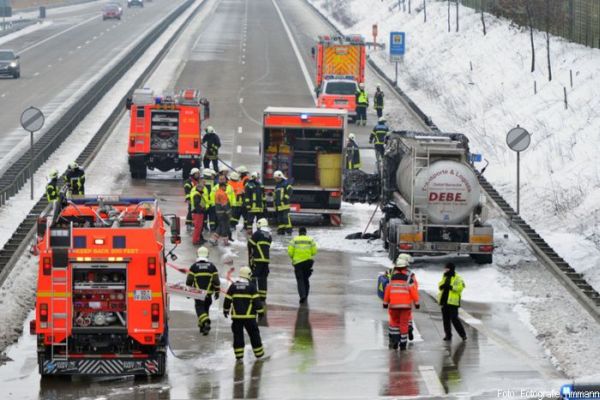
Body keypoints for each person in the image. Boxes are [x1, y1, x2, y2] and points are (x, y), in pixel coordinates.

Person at [223, 266, 265, 361]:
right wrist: (261, 312)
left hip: (236, 318)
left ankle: (239, 356)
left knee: (238, 336)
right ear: (248, 275)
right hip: (249, 318)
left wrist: (226, 310)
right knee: (254, 335)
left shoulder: (233, 286)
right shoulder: (251, 287)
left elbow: (227, 300)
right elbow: (257, 302)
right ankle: (259, 355)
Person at [383, 258, 420, 351]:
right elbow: (414, 291)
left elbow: (387, 291)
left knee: (394, 323)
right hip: (405, 306)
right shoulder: (409, 278)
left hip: (394, 306)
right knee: (404, 324)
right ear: (405, 267)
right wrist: (416, 303)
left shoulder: (392, 279)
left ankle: (395, 341)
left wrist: (385, 303)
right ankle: (403, 344)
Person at [186, 247, 220, 335]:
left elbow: (189, 281)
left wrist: (188, 291)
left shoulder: (194, 267)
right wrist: (217, 291)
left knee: (200, 309)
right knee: (205, 310)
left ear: (198, 254)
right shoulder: (212, 266)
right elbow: (216, 281)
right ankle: (203, 327)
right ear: (207, 254)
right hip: (208, 294)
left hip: (198, 294)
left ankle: (205, 322)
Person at [288, 227, 318, 304]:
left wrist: (294, 257)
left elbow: (290, 252)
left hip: (298, 263)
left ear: (299, 232)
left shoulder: (294, 240)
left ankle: (302, 295)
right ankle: (306, 295)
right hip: (308, 262)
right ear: (305, 232)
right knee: (306, 279)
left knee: (300, 280)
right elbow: (314, 252)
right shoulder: (310, 240)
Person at [438, 263, 467, 341]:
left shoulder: (457, 277)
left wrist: (451, 287)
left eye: (447, 268)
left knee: (454, 319)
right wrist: (441, 286)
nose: (445, 270)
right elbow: (440, 284)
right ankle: (448, 335)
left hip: (453, 302)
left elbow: (460, 288)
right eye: (445, 268)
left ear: (451, 269)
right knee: (446, 320)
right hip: (444, 301)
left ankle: (463, 335)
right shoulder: (445, 276)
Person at [248, 218, 272, 302]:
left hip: (258, 259)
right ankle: (263, 296)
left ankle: (253, 294)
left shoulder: (257, 234)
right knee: (263, 277)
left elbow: (250, 245)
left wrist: (250, 259)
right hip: (266, 260)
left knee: (253, 276)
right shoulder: (269, 235)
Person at [211, 174, 235, 245]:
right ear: (222, 186)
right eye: (225, 187)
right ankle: (225, 242)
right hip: (223, 213)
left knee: (220, 226)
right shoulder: (222, 194)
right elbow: (225, 205)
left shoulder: (218, 192)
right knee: (224, 227)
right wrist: (229, 214)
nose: (226, 188)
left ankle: (213, 239)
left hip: (219, 212)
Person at [273, 170, 293, 235]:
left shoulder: (286, 183)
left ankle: (289, 231)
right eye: (275, 178)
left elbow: (290, 190)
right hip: (278, 205)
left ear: (280, 177)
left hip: (284, 205)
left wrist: (285, 199)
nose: (275, 179)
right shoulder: (277, 185)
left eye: (276, 178)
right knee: (279, 219)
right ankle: (281, 231)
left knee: (285, 218)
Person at [189, 179, 207, 245]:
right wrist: (201, 210)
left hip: (198, 213)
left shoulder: (198, 193)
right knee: (198, 228)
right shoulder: (197, 194)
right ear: (198, 188)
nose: (202, 189)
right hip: (198, 213)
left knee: (198, 228)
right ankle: (196, 240)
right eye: (201, 187)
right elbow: (197, 204)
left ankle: (197, 239)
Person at [202, 168, 217, 232]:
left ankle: (205, 226)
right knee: (212, 215)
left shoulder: (201, 182)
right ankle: (212, 227)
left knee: (205, 215)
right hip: (211, 202)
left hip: (204, 202)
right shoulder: (214, 182)